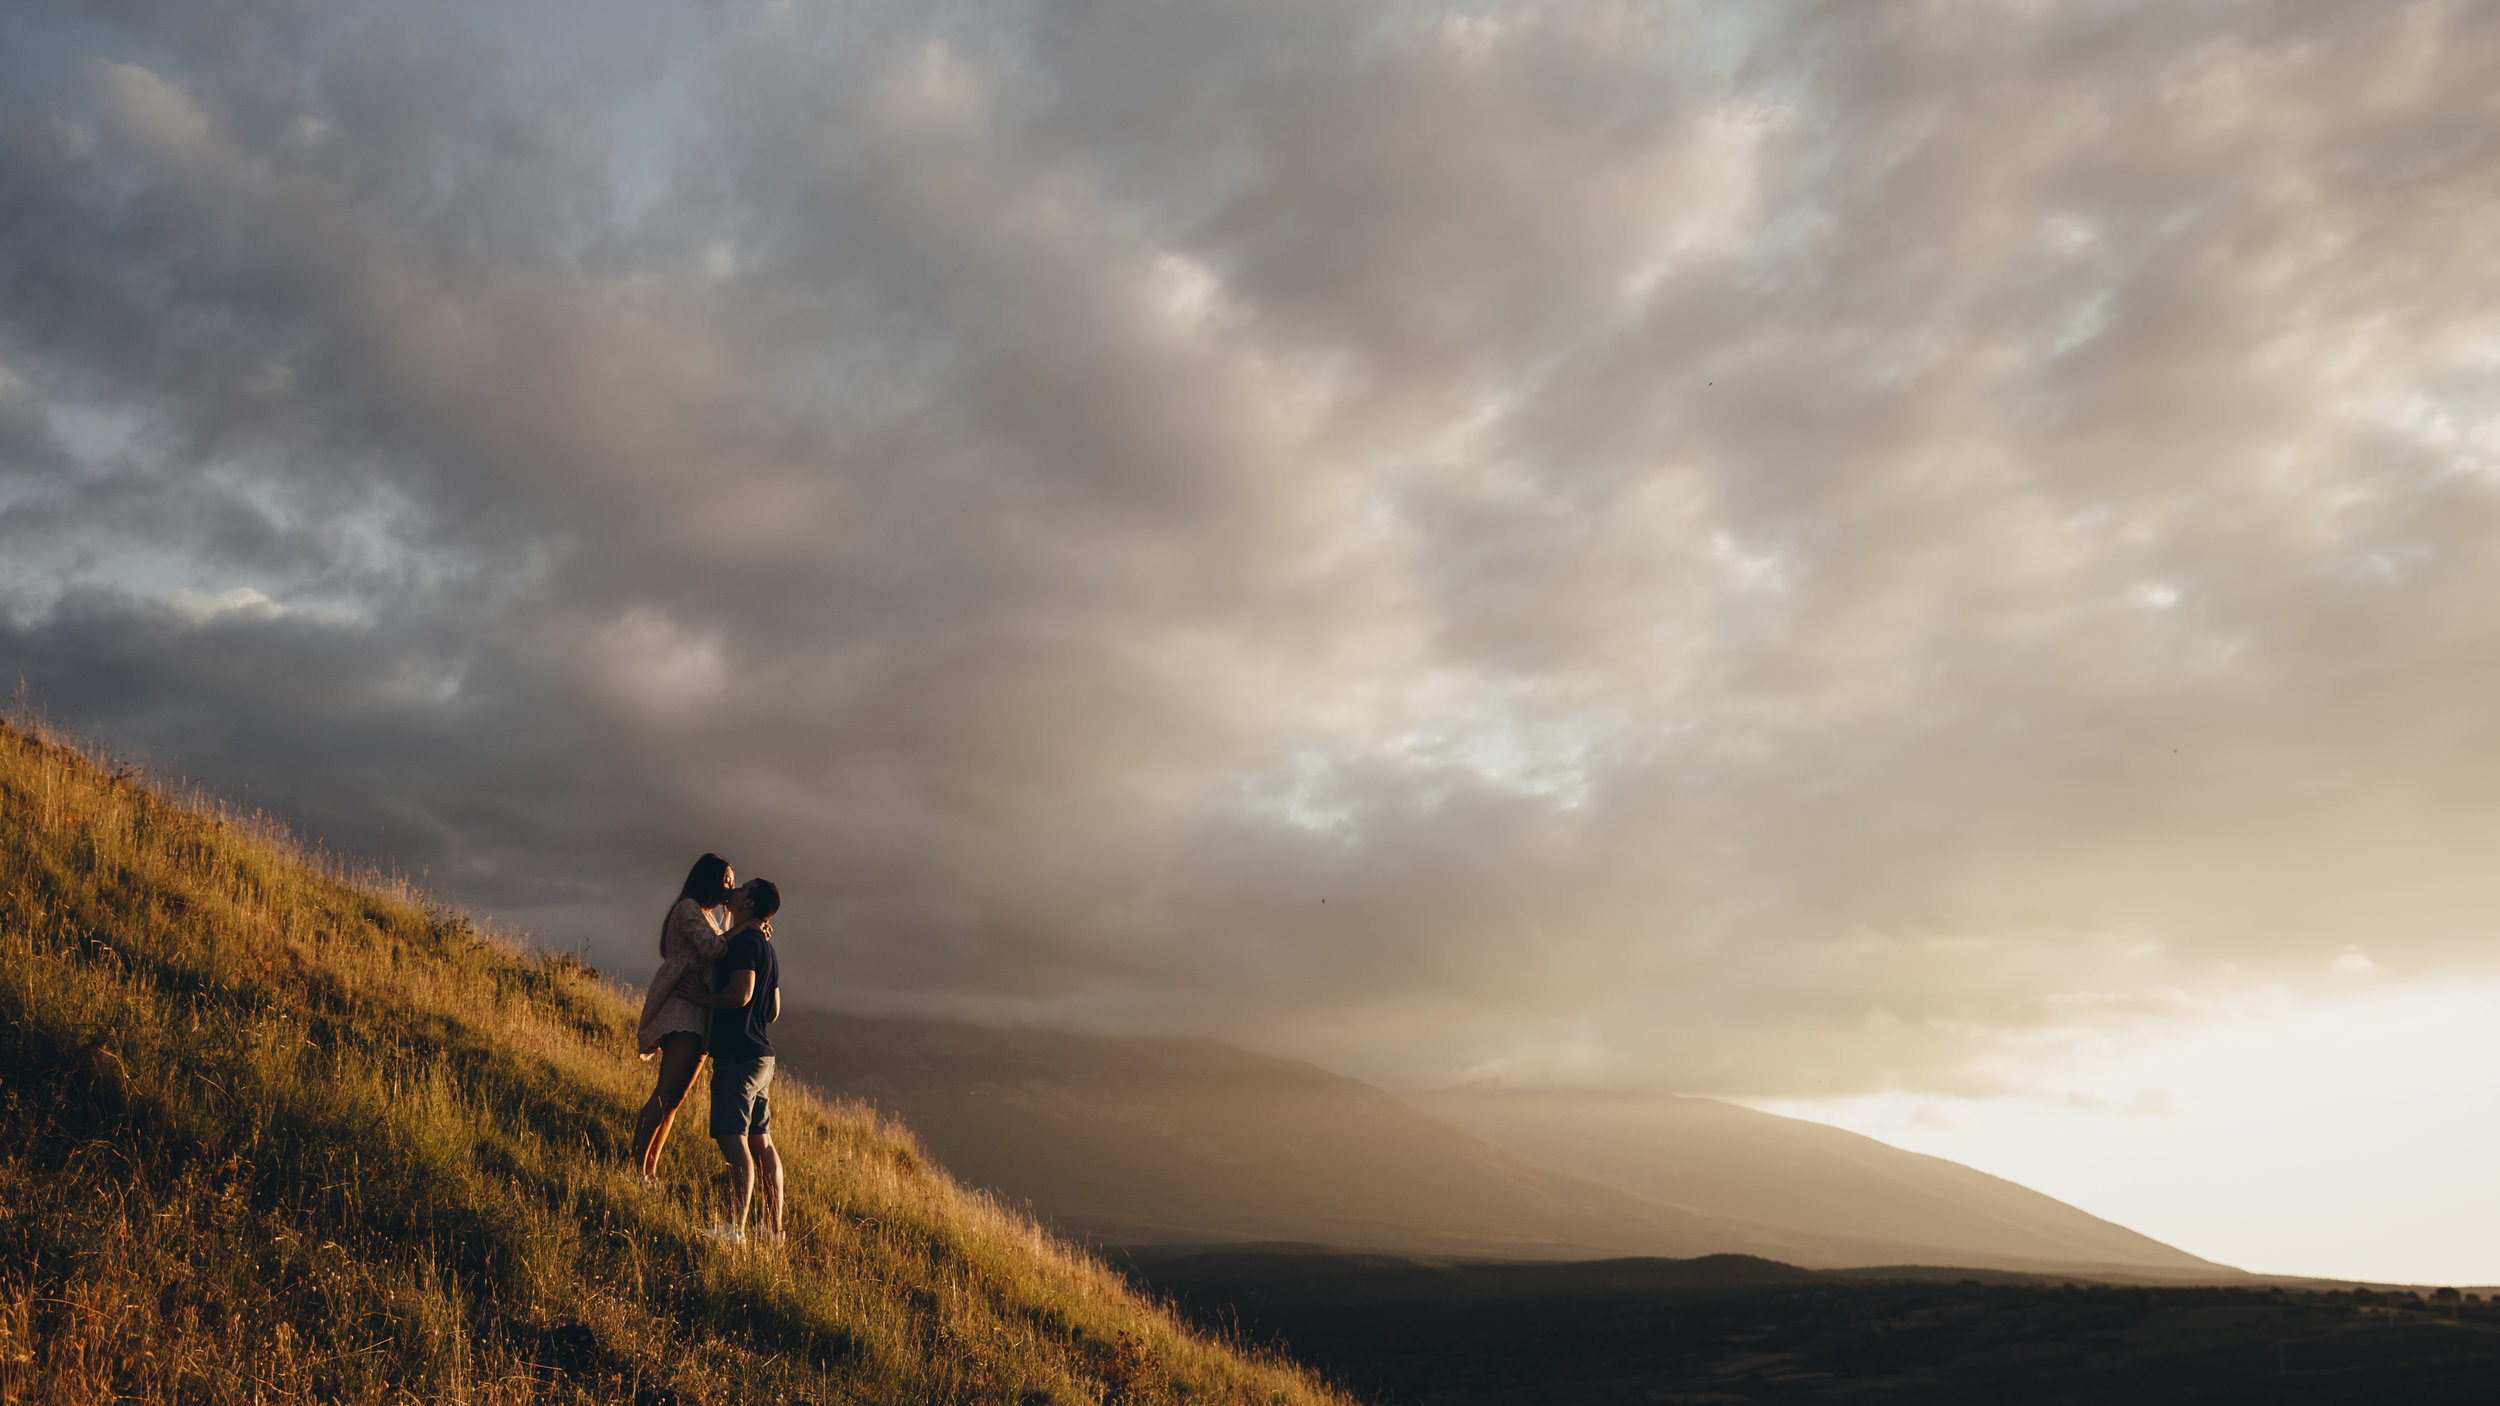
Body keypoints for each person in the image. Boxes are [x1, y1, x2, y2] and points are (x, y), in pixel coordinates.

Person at [630, 853, 745, 1182]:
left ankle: (648, 1171)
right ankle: (634, 1168)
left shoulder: (708, 916)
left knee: (676, 1098)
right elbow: (713, 949)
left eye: (732, 883)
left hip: (699, 1013)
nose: (730, 888)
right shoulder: (688, 909)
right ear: (708, 878)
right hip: (682, 1010)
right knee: (666, 1091)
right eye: (725, 881)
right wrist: (747, 927)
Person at [686, 877, 783, 1244]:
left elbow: (740, 994)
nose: (734, 890)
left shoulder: (744, 943)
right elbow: (773, 1010)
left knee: (734, 1143)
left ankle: (734, 1230)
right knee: (762, 1143)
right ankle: (773, 1232)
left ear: (748, 904)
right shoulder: (767, 947)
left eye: (741, 889)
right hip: (762, 1057)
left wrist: (701, 997)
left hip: (738, 1056)